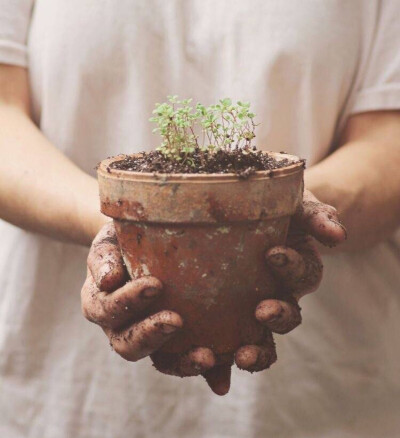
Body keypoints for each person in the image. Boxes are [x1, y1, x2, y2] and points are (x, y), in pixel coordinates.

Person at [0, 1, 399, 437]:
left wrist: (286, 205)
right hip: (64, 392)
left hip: (322, 396)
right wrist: (119, 224)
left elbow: (388, 141)